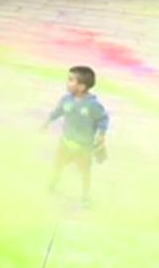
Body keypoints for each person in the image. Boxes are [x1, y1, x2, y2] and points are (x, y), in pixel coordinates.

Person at [43, 66, 109, 207]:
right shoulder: (66, 100)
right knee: (58, 166)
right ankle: (52, 186)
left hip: (83, 147)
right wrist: (48, 121)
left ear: (82, 87)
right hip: (66, 143)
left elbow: (103, 119)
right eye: (69, 79)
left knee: (84, 171)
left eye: (71, 80)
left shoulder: (92, 105)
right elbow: (58, 111)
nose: (67, 83)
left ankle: (85, 195)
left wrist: (101, 134)